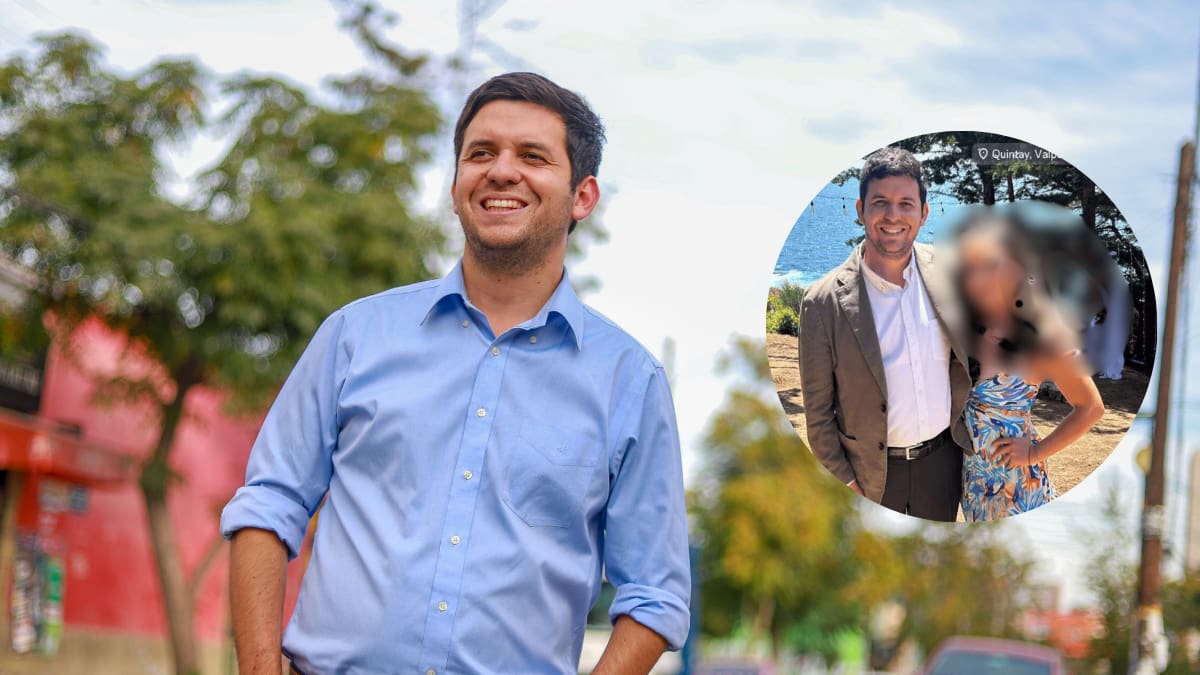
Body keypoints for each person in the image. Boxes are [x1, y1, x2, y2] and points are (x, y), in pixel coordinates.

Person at [220, 72, 690, 674]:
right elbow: (268, 506)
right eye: (481, 153)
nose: (501, 171)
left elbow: (655, 592)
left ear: (582, 196)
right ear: (456, 184)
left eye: (533, 156)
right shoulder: (355, 337)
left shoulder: (630, 381)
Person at [799, 146, 973, 522]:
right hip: (871, 477)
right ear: (861, 210)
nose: (893, 216)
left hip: (944, 464)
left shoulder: (950, 273)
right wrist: (848, 485)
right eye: (881, 202)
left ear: (923, 214)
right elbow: (817, 416)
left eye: (906, 204)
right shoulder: (822, 302)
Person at [952, 212, 1105, 521]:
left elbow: (1091, 408)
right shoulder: (966, 328)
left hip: (1019, 486)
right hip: (975, 484)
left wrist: (1036, 452)